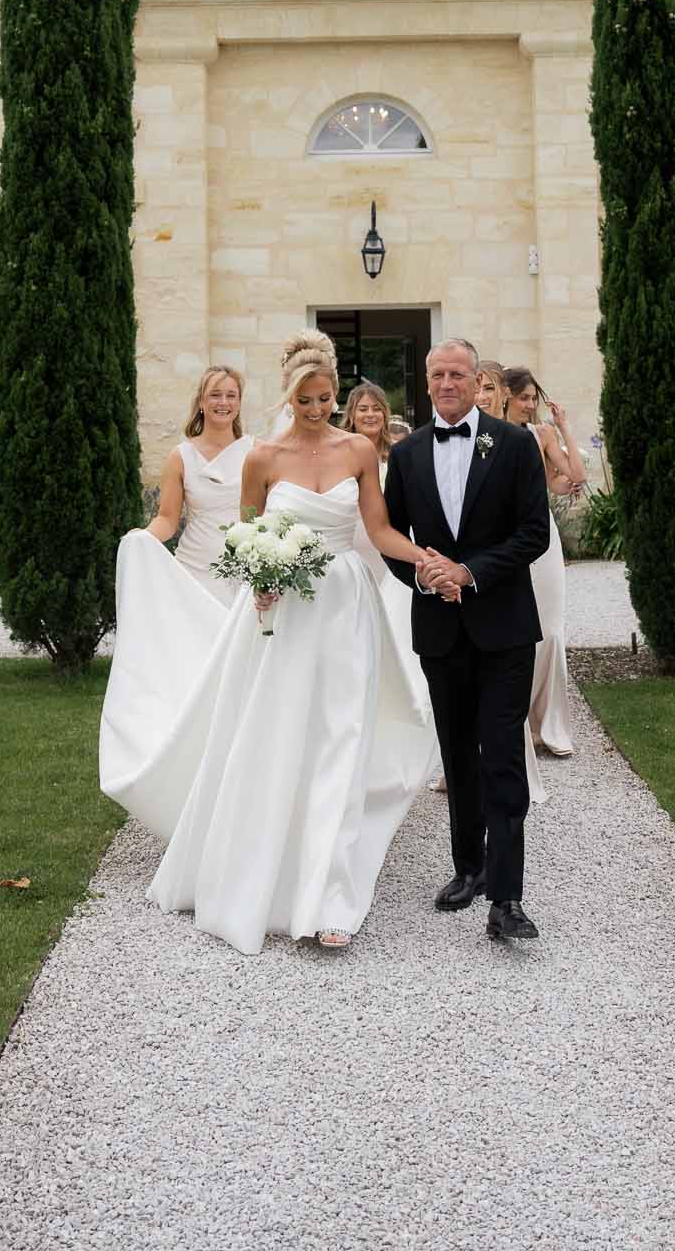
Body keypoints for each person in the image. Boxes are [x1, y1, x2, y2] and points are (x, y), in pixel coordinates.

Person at [99, 330, 437, 956]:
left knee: (342, 737)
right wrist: (257, 580)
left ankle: (329, 896)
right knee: (279, 735)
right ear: (290, 397)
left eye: (325, 399)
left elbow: (379, 530)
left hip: (344, 605)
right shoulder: (262, 458)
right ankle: (265, 870)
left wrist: (425, 561)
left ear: (336, 395)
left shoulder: (359, 450)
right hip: (281, 615)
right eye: (305, 401)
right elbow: (244, 537)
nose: (316, 411)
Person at [383, 339, 549, 944]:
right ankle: (468, 867)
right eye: (437, 375)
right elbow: (391, 539)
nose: (447, 383)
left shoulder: (513, 445)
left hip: (504, 626)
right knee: (456, 751)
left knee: (501, 756)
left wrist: (470, 572)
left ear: (477, 378)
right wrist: (426, 577)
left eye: (457, 373)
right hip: (440, 630)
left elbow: (534, 533)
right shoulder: (404, 455)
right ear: (425, 383)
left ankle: (507, 898)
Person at [341, 381, 440, 780]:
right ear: (350, 413)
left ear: (385, 414)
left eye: (376, 409)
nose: (369, 415)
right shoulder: (339, 453)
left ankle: (412, 739)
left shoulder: (399, 455)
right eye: (362, 408)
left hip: (391, 558)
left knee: (399, 651)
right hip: (353, 553)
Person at [504, 366, 586, 758]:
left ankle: (549, 724)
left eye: (534, 398)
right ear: (507, 396)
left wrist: (563, 426)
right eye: (524, 398)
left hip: (543, 538)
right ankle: (514, 722)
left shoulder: (542, 435)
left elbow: (573, 478)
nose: (530, 405)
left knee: (550, 630)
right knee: (515, 631)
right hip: (506, 538)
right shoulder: (492, 438)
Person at [146, 366, 252, 605]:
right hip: (193, 569)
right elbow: (167, 519)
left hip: (243, 572)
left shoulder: (255, 452)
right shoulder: (180, 456)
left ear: (238, 403)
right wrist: (143, 537)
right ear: (201, 402)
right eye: (215, 394)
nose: (223, 402)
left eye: (231, 395)